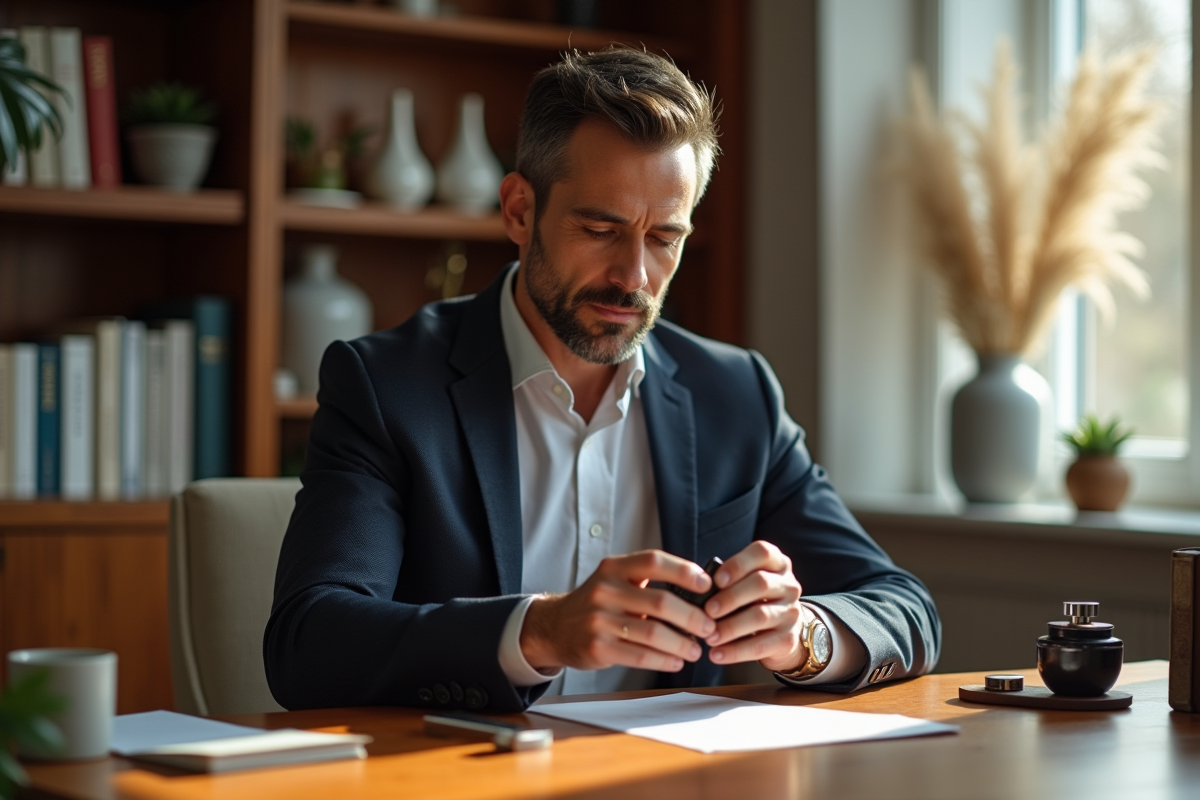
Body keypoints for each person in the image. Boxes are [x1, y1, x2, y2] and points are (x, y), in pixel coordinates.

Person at [264, 48, 940, 713]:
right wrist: (538, 631)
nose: (634, 277)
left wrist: (804, 638)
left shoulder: (737, 394)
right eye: (600, 228)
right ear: (519, 212)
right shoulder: (385, 387)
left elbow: (905, 608)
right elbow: (309, 643)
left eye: (663, 238)